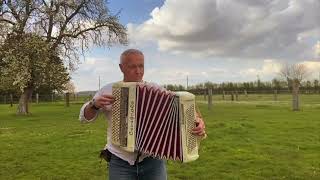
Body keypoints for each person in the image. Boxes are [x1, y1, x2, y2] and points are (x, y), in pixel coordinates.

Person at [79, 49, 206, 180]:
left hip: (153, 159)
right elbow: (84, 118)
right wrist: (93, 105)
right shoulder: (108, 90)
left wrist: (198, 121)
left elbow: (182, 107)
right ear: (121, 68)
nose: (138, 71)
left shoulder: (155, 89)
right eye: (132, 66)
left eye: (141, 66)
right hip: (120, 161)